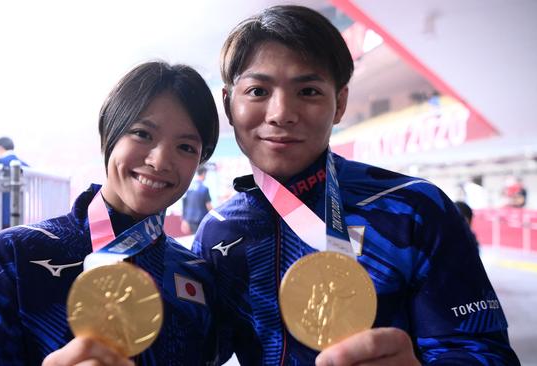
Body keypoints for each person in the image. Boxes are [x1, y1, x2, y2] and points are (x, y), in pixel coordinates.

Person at [192, 5, 519, 365]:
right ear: (228, 103)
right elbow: (202, 351)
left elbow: (485, 352)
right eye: (257, 91)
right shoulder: (217, 232)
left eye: (309, 91)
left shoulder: (414, 209)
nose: (281, 112)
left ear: (340, 103)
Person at [0, 61, 220, 365]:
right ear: (109, 134)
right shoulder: (15, 256)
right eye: (142, 134)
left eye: (185, 147)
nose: (160, 161)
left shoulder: (197, 274)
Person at [181, 165, 213, 234]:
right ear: (204, 173)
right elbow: (209, 206)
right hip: (201, 219)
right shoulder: (204, 189)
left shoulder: (189, 188)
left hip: (190, 219)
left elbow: (184, 203)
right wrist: (214, 217)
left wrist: (184, 219)